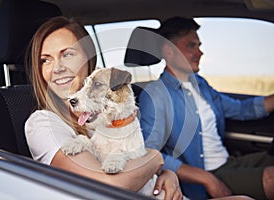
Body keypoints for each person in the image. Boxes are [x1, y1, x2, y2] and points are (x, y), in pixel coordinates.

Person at [24, 16, 183, 200]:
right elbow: (110, 185)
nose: (57, 68)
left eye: (67, 54)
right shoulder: (43, 124)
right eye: (45, 60)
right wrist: (156, 159)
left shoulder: (106, 113)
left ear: (89, 59)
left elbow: (133, 161)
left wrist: (167, 175)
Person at [138, 16, 274, 200]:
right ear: (169, 51)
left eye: (199, 45)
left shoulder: (200, 84)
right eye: (191, 46)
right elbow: (149, 154)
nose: (200, 53)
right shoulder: (156, 94)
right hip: (202, 177)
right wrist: (206, 178)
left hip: (227, 162)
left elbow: (241, 110)